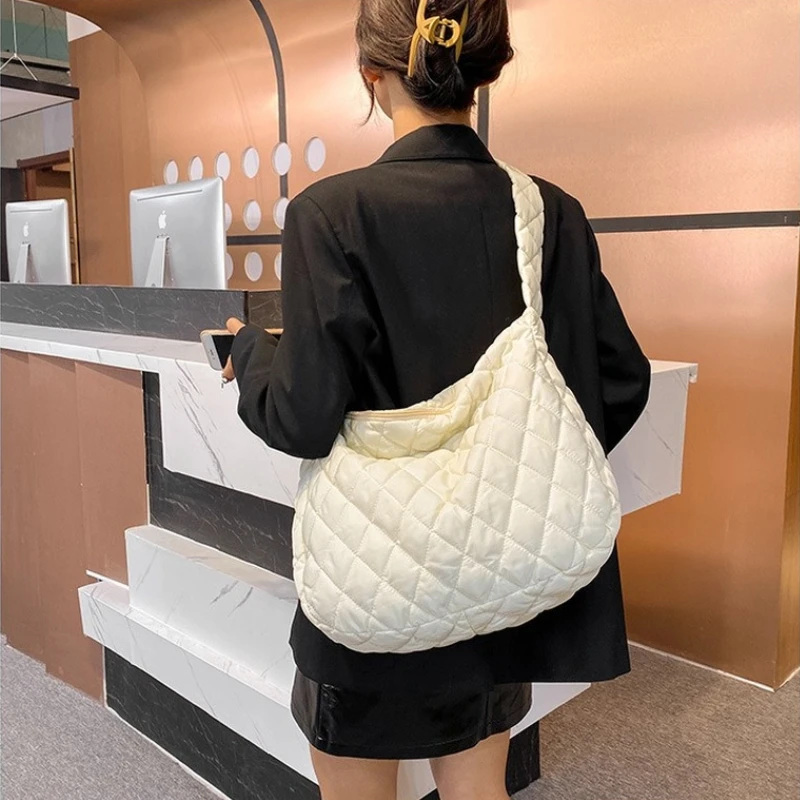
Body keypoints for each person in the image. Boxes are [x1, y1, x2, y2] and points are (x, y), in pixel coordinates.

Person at [222, 1, 651, 798]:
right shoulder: (549, 212)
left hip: (368, 591)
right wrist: (522, 462)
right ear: (487, 69)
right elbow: (620, 378)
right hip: (502, 586)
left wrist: (250, 351)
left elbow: (302, 417)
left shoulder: (329, 213)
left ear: (371, 75)